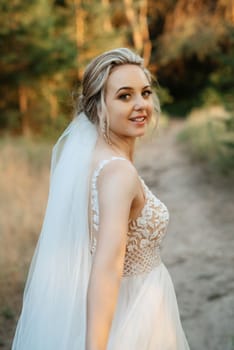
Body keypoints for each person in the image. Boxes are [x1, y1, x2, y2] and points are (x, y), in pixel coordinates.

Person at [12, 48, 190, 350]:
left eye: (145, 93)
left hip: (131, 305)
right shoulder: (118, 174)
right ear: (98, 106)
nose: (141, 105)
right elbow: (107, 268)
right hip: (134, 316)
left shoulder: (91, 162)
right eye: (124, 96)